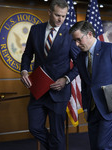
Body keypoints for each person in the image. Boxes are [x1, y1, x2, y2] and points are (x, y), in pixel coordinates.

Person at [20, 0, 79, 149]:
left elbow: (79, 64)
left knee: (57, 134)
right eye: (58, 15)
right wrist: (24, 70)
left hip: (58, 91)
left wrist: (66, 79)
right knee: (34, 127)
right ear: (49, 12)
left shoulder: (71, 34)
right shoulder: (35, 30)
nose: (61, 19)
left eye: (64, 16)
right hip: (38, 89)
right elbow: (27, 55)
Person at [69, 21, 112, 150]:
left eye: (78, 40)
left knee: (103, 146)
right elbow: (85, 84)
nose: (77, 44)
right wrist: (86, 108)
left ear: (89, 34)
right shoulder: (80, 57)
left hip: (111, 107)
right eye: (74, 41)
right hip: (93, 110)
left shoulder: (111, 49)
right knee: (95, 147)